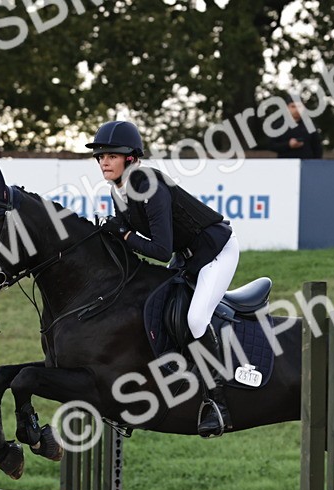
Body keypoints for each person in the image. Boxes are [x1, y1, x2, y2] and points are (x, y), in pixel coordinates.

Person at [88, 120, 239, 438]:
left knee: (197, 319)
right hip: (186, 256)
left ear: (130, 158)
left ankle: (217, 403)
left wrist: (124, 233)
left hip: (215, 251)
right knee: (149, 307)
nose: (103, 161)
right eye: (100, 155)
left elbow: (159, 248)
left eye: (111, 155)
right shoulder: (118, 190)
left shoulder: (146, 183)